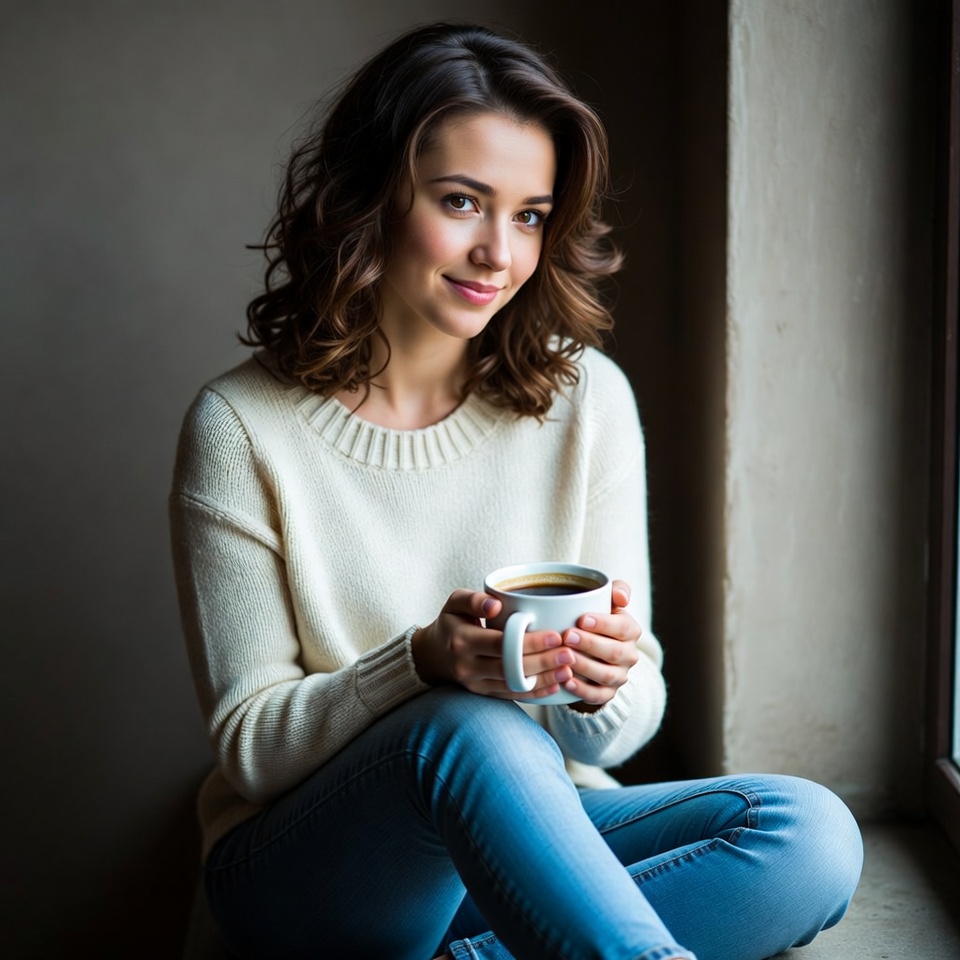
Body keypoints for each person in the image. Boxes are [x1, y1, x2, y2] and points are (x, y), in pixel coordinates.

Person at [169, 21, 863, 960]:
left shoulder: (586, 400)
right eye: (462, 201)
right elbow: (252, 745)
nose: (499, 251)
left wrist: (602, 680)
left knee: (808, 835)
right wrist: (420, 662)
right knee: (466, 724)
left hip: (530, 856)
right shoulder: (242, 428)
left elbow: (616, 734)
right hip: (311, 872)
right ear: (370, 198)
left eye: (530, 214)